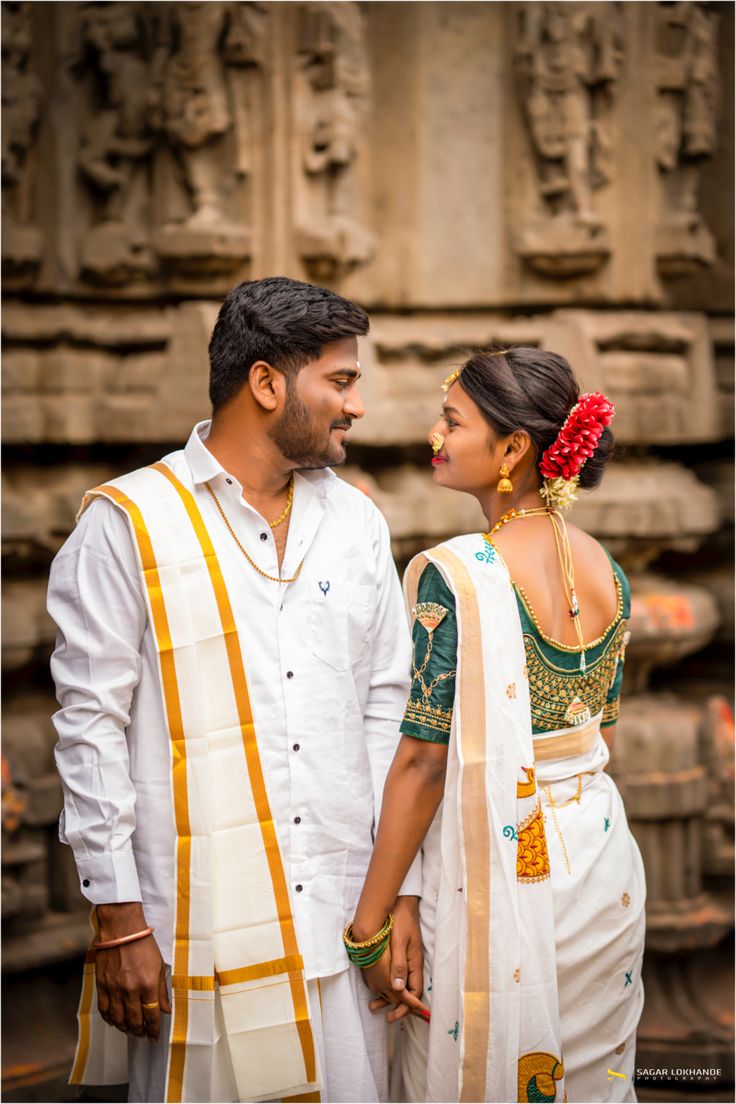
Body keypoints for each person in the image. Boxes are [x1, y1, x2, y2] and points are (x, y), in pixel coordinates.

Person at [48, 276, 424, 1104]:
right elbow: (91, 728)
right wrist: (119, 918)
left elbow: (386, 709)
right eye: (341, 379)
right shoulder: (128, 523)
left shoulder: (355, 521)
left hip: (342, 921)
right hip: (195, 932)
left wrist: (402, 894)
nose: (355, 405)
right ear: (266, 383)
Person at [347, 348, 646, 1103]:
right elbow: (594, 724)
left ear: (513, 449)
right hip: (599, 864)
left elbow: (421, 763)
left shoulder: (458, 573)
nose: (433, 436)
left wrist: (370, 926)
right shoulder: (607, 570)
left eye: (452, 421)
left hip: (502, 866)